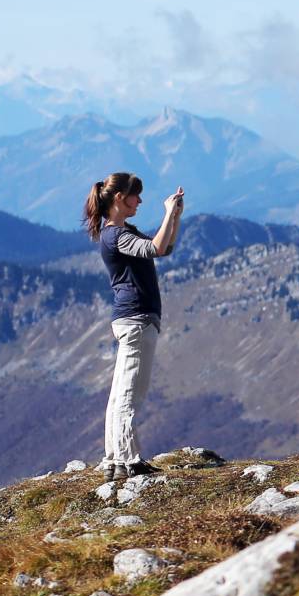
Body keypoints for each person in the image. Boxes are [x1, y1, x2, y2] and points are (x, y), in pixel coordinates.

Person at [82, 172, 185, 480]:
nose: (140, 200)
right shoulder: (115, 235)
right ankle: (128, 460)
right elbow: (153, 249)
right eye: (135, 195)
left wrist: (175, 216)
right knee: (130, 393)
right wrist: (168, 213)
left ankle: (116, 458)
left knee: (120, 393)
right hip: (137, 319)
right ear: (119, 198)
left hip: (133, 318)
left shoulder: (120, 231)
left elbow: (163, 248)